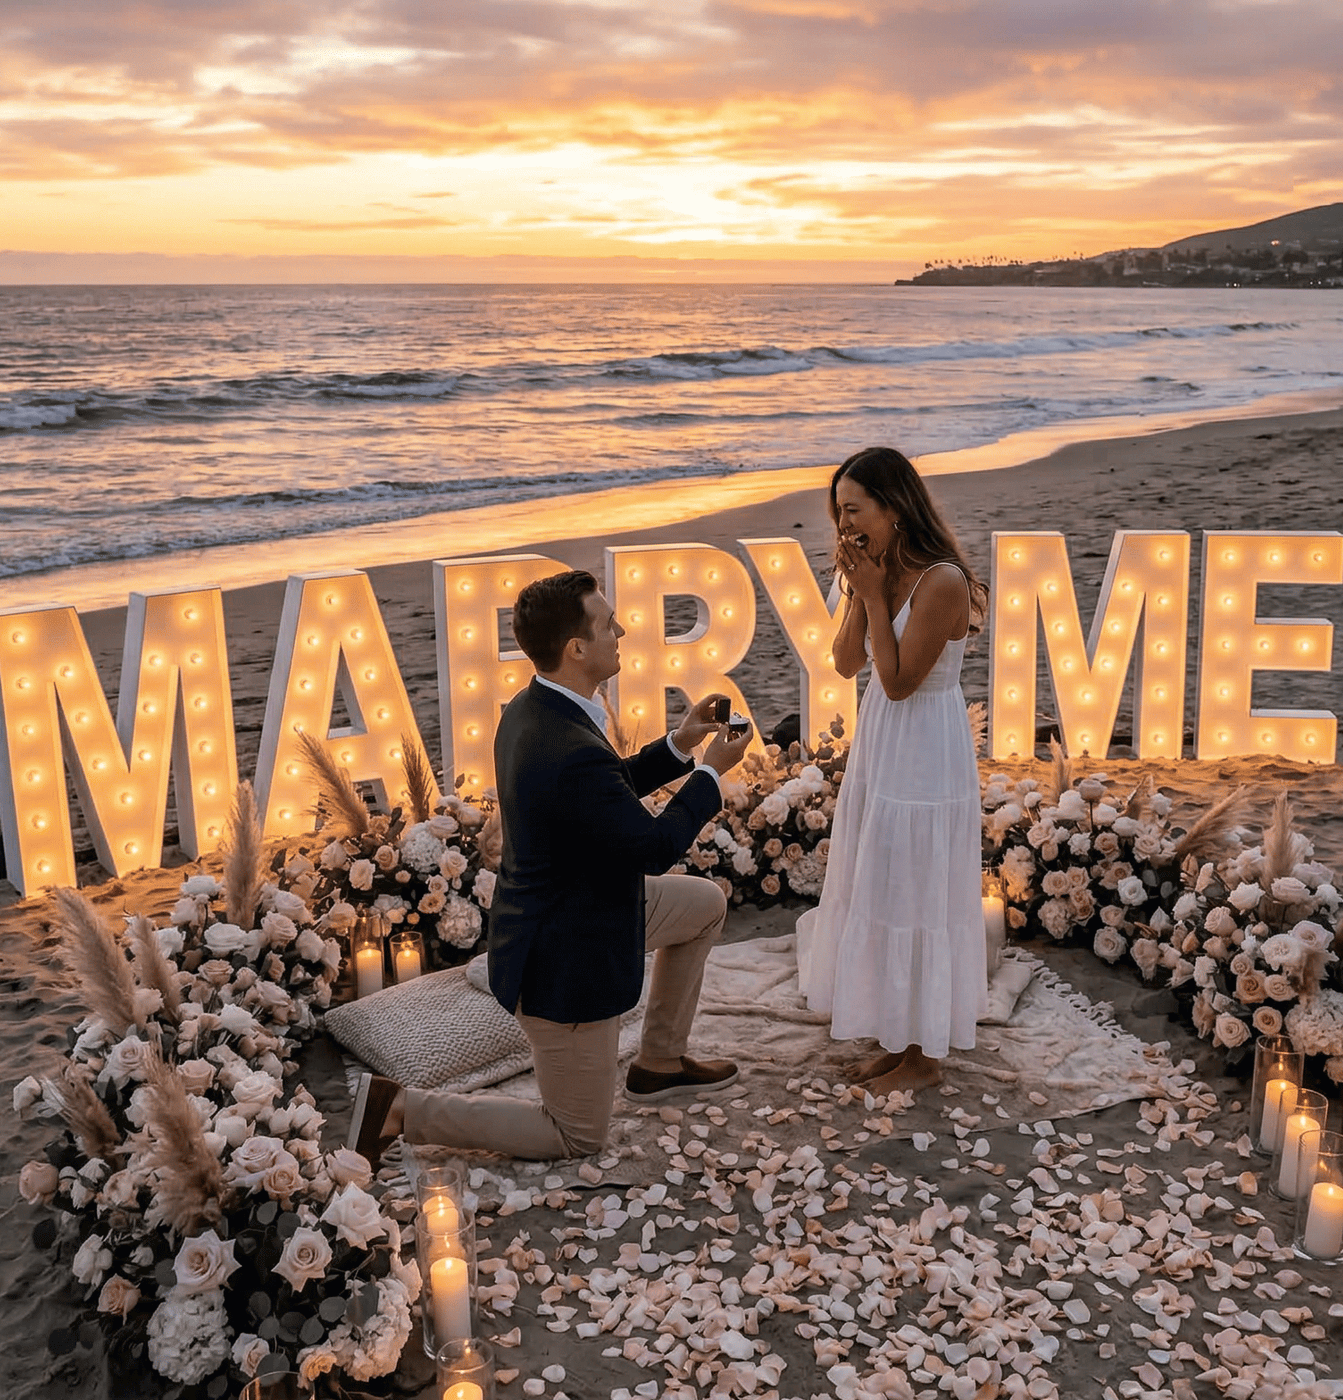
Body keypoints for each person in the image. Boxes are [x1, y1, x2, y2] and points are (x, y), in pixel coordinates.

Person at [355, 569, 751, 1165]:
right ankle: (403, 1109)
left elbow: (603, 791)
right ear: (578, 648)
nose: (621, 629)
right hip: (565, 958)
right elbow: (650, 846)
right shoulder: (565, 748)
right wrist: (711, 773)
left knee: (703, 906)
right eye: (608, 623)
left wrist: (679, 743)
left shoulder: (535, 707)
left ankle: (659, 1062)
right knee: (575, 1136)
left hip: (582, 905)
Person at [800, 446, 989, 1091]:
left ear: (893, 507)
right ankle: (896, 1037)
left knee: (919, 889)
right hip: (883, 740)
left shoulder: (942, 580)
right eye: (839, 513)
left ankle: (924, 1057)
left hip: (926, 747)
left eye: (854, 510)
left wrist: (878, 594)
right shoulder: (879, 570)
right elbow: (846, 663)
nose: (845, 524)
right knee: (881, 880)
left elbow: (902, 679)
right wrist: (861, 590)